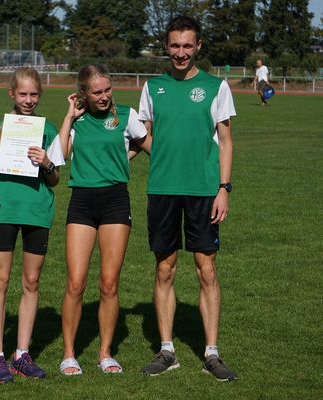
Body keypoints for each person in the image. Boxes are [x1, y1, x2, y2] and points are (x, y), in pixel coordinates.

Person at [138, 15, 237, 382]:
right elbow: (144, 137)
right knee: (164, 268)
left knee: (206, 270)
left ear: (198, 47)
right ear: (166, 47)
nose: (181, 53)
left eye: (187, 46)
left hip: (203, 191)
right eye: (175, 46)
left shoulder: (216, 86)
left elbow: (225, 141)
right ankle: (167, 350)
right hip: (162, 189)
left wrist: (223, 188)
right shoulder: (153, 87)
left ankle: (211, 353)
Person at [58, 64, 151, 376]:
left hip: (115, 201)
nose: (104, 96)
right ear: (83, 93)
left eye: (108, 90)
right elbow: (58, 157)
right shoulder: (78, 120)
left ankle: (105, 353)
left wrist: (124, 159)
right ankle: (69, 354)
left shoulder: (125, 114)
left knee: (109, 283)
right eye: (96, 92)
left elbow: (150, 145)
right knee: (75, 282)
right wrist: (70, 116)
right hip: (82, 202)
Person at [0, 67, 65, 383]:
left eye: (33, 94)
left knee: (31, 282)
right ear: (11, 94)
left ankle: (22, 354)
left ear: (39, 95)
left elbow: (56, 179)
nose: (28, 100)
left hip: (36, 212)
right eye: (23, 94)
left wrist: (46, 163)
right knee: (0, 281)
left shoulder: (49, 130)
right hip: (4, 211)